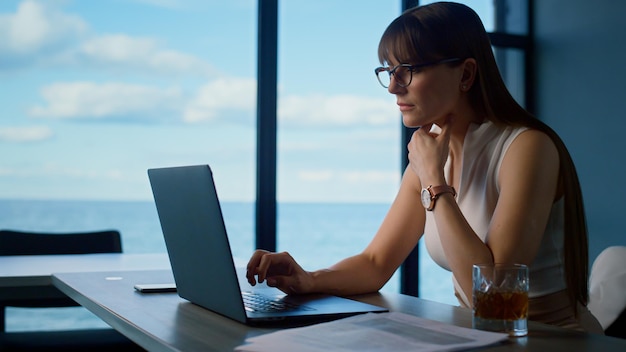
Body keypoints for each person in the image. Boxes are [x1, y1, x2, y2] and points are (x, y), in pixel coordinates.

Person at [246, 1, 602, 333]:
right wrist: (309, 278)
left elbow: (494, 298)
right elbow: (375, 262)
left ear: (465, 74)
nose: (393, 87)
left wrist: (435, 180)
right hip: (481, 339)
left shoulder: (526, 147)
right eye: (388, 71)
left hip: (550, 341)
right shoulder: (429, 150)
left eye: (408, 71)